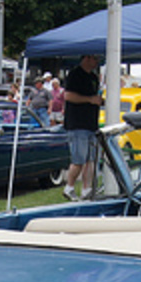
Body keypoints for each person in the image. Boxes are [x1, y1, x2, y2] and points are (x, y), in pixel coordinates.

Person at [62, 54, 103, 201]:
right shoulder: (75, 75)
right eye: (95, 59)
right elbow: (68, 96)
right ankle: (69, 187)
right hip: (77, 124)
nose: (97, 62)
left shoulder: (93, 77)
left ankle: (87, 189)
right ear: (86, 58)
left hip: (91, 124)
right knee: (79, 160)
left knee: (90, 159)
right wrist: (90, 100)